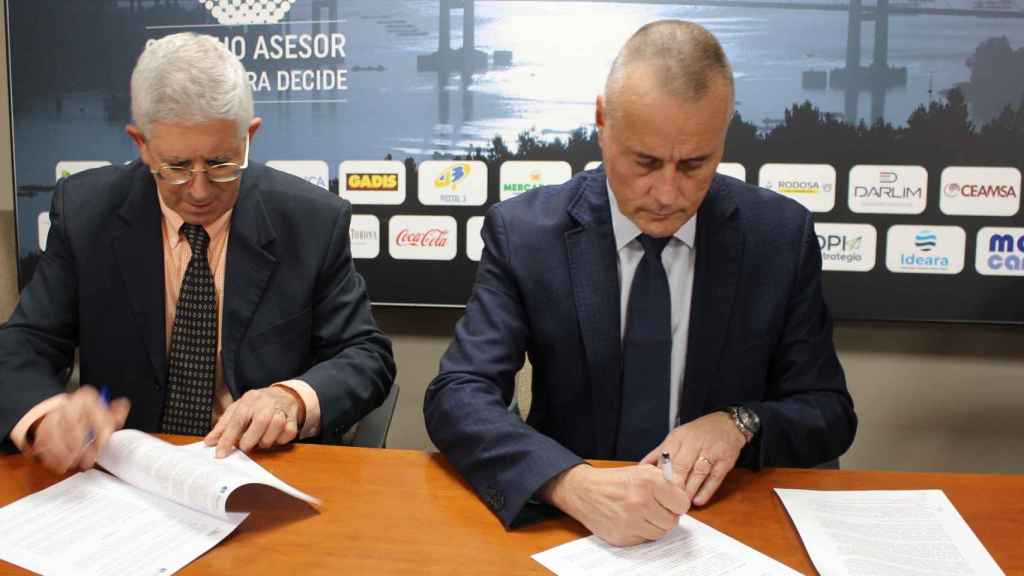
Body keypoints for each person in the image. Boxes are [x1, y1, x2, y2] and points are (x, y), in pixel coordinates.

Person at [424, 20, 856, 546]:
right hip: (575, 523)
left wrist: (740, 423)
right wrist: (569, 484)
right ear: (602, 122)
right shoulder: (526, 233)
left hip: (725, 523)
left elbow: (829, 411)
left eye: (695, 164)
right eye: (645, 162)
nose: (668, 193)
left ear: (724, 133)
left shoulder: (779, 236)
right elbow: (458, 395)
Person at [0, 32, 395, 475]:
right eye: (177, 166)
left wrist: (291, 398)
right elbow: (25, 342)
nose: (200, 189)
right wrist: (46, 415)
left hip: (256, 469)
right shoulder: (86, 212)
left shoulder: (311, 221)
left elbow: (366, 356)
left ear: (249, 136)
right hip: (125, 474)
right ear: (140, 143)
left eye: (221, 163)